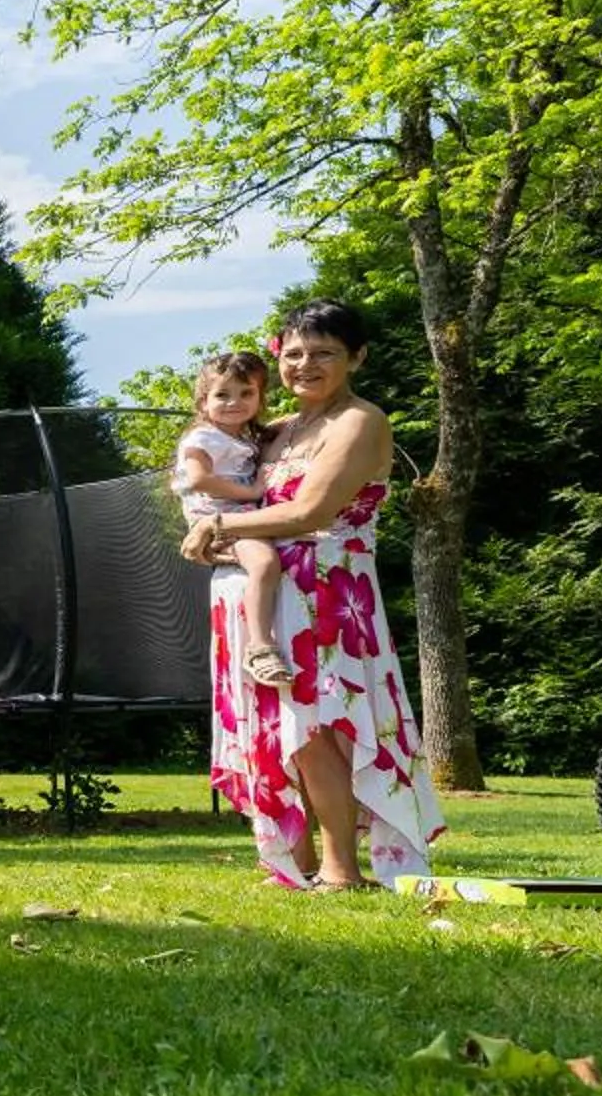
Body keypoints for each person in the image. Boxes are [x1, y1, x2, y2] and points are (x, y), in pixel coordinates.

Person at [180, 300, 445, 892]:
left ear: (357, 357)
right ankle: (292, 857)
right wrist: (207, 530)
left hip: (329, 593)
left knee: (322, 727)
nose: (306, 364)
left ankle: (342, 869)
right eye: (294, 353)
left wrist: (218, 529)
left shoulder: (360, 421)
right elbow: (213, 493)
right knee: (279, 731)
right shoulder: (272, 433)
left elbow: (310, 511)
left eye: (324, 352)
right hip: (264, 597)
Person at [173, 351, 293, 686]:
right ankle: (260, 647)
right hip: (220, 516)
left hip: (235, 515)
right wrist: (253, 492)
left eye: (246, 393)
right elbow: (199, 479)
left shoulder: (242, 437)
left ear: (260, 398)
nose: (233, 402)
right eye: (222, 395)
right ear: (203, 401)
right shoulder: (202, 437)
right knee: (265, 564)